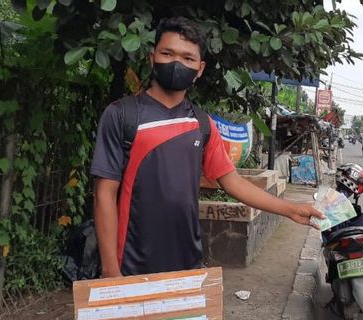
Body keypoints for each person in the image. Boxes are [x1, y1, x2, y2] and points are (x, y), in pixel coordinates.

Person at [90, 16, 324, 278]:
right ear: (152, 57)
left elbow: (234, 183)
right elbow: (104, 195)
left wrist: (291, 209)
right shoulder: (122, 115)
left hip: (187, 265)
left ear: (200, 69)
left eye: (188, 58)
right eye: (168, 53)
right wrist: (111, 270)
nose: (177, 63)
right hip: (130, 266)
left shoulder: (202, 124)